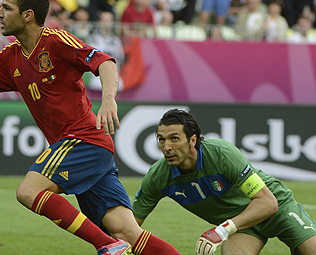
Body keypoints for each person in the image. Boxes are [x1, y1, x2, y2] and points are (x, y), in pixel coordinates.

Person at [0, 0, 182, 255]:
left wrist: (108, 101)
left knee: (28, 192)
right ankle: (117, 242)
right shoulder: (9, 58)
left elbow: (105, 62)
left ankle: (107, 245)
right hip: (88, 149)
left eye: (7, 8)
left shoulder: (57, 41)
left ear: (28, 15)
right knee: (128, 232)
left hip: (82, 139)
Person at [132, 108, 316, 255]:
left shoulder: (221, 154)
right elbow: (128, 225)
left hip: (277, 209)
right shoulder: (157, 177)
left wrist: (221, 231)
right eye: (161, 140)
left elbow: (268, 203)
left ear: (192, 140)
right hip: (243, 227)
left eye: (174, 139)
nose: (166, 147)